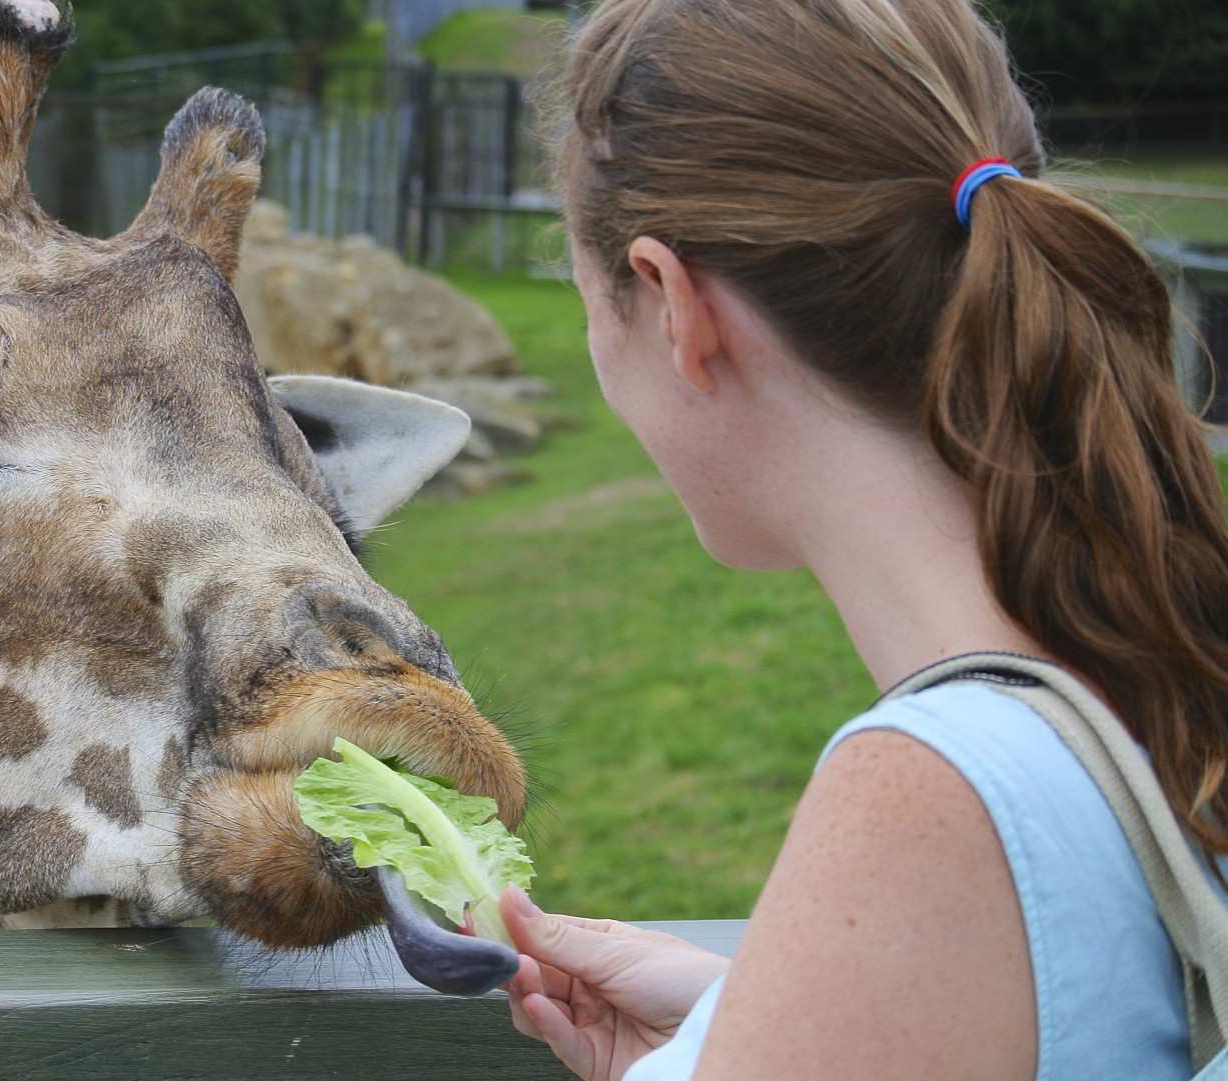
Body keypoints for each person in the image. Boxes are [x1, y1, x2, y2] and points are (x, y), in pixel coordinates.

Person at [502, 0, 1228, 1078]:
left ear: (670, 302)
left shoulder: (936, 798)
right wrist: (748, 1023)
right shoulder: (1151, 652)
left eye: (584, 292)